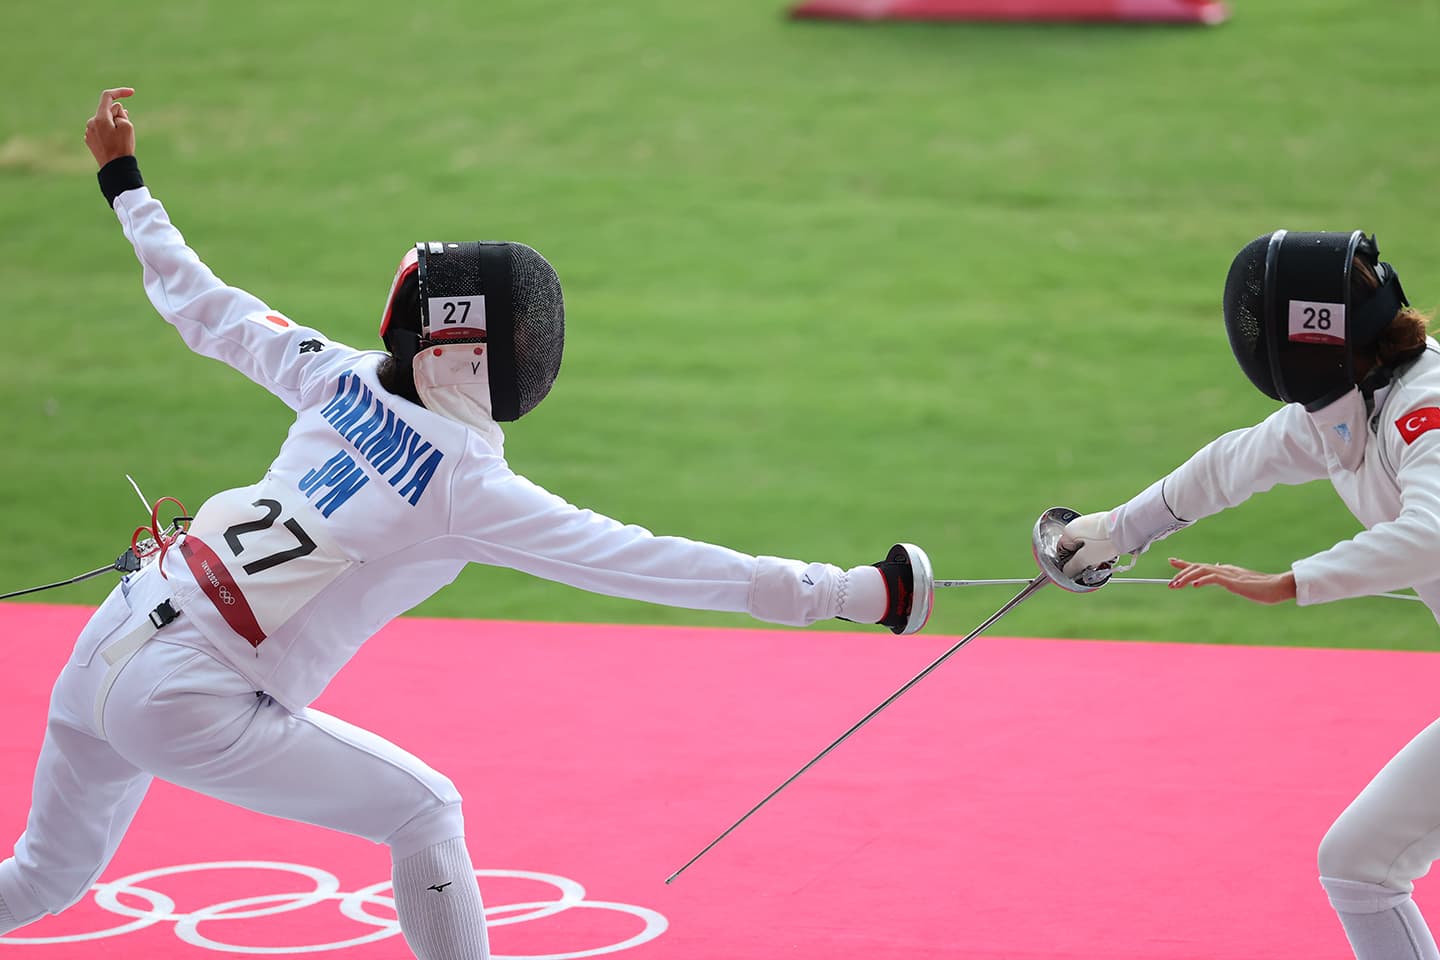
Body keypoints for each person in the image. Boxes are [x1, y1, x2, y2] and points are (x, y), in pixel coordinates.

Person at [0, 88, 934, 960]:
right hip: (187, 700)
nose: (538, 354)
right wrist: (853, 595)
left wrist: (124, 183)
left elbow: (203, 305)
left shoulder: (336, 373)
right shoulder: (460, 485)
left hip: (108, 642)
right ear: (464, 351)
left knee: (41, 878)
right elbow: (654, 566)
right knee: (426, 814)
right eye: (519, 340)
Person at [1059, 226, 1440, 960]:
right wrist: (1113, 533)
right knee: (1359, 865)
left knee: (1361, 863)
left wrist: (1292, 583)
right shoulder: (1355, 402)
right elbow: (1234, 462)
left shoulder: (1424, 409)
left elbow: (1430, 532)